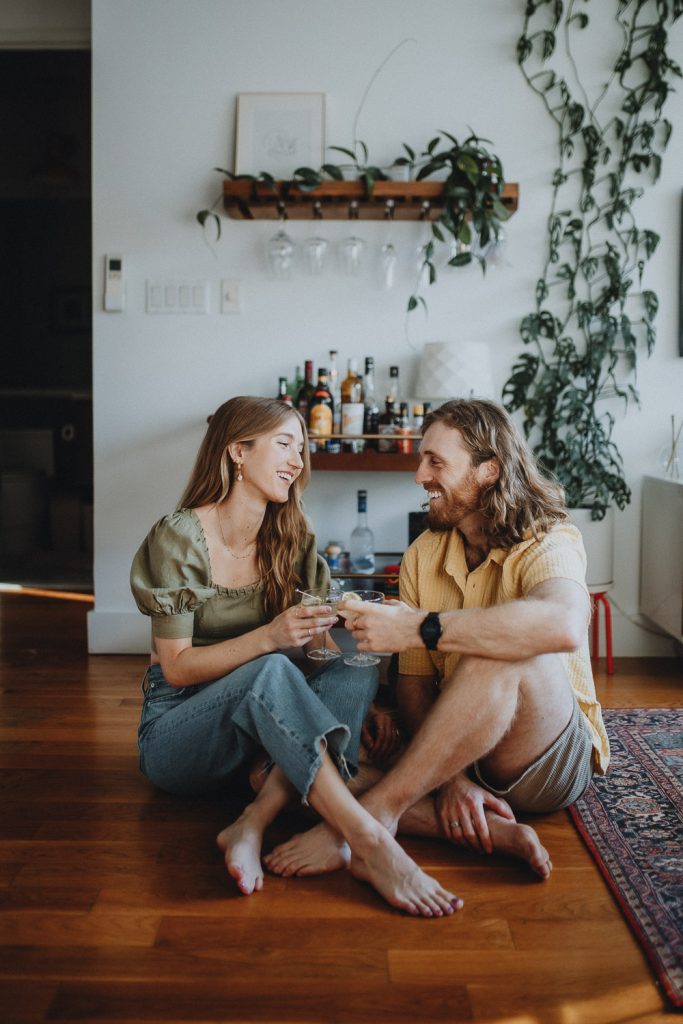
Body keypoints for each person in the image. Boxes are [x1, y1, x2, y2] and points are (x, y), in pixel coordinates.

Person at [130, 395, 460, 917]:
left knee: (352, 666)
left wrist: (359, 697)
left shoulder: (292, 536)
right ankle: (370, 844)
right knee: (273, 668)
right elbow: (176, 666)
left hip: (255, 734)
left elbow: (318, 648)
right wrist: (268, 637)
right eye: (284, 445)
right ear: (238, 451)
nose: (297, 461)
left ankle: (254, 819)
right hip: (180, 733)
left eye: (302, 449)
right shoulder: (179, 537)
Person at [264, 398, 610, 887]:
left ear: (489, 471)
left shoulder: (548, 540)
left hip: (543, 758)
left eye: (436, 462)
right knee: (276, 769)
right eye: (421, 459)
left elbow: (564, 624)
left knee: (502, 645)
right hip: (457, 748)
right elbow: (414, 685)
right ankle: (476, 825)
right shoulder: (423, 554)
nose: (419, 475)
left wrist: (422, 626)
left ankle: (374, 820)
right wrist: (452, 780)